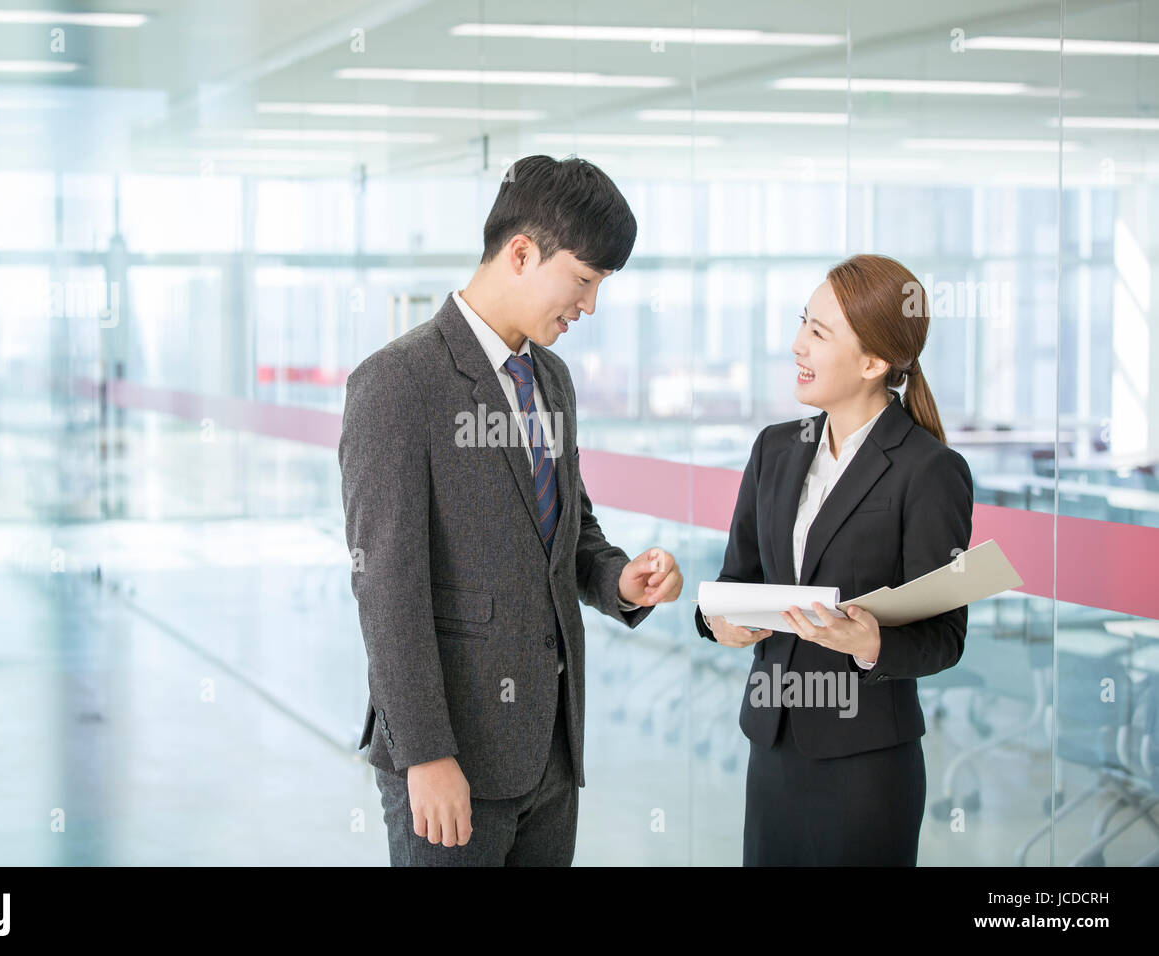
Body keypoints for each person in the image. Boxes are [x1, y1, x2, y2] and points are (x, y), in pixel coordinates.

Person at [340, 154, 684, 866]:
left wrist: (618, 581)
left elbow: (568, 530)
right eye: (585, 281)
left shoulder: (551, 379)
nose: (589, 307)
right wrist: (426, 754)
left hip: (552, 751)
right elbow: (388, 589)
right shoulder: (398, 382)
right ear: (523, 253)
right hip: (452, 762)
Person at [694, 253, 974, 866]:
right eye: (804, 323)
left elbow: (945, 638)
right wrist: (721, 623)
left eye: (819, 334)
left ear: (873, 363)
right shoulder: (774, 450)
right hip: (772, 743)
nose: (797, 344)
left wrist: (870, 644)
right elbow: (736, 580)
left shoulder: (929, 471)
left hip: (866, 765)